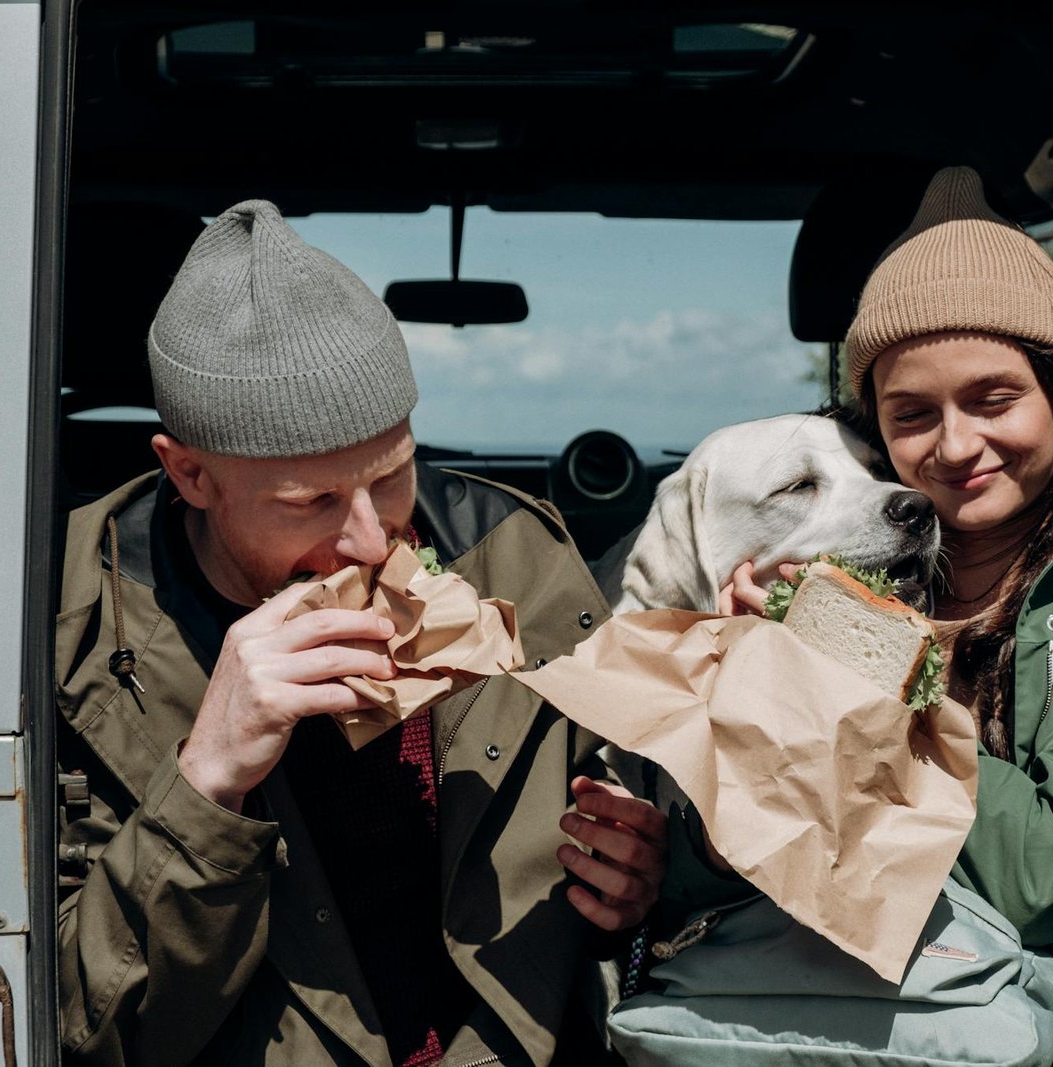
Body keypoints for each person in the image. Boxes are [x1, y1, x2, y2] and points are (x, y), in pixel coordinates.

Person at [54, 201, 666, 1067]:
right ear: (189, 472)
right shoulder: (62, 629)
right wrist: (207, 784)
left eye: (390, 475)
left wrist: (637, 888)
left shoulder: (519, 563)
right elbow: (84, 1033)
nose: (372, 539)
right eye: (310, 503)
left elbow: (632, 875)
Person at [713, 167, 1053, 1065]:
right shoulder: (827, 583)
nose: (954, 447)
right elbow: (722, 854)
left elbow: (1039, 875)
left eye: (994, 400)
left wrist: (855, 665)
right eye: (911, 415)